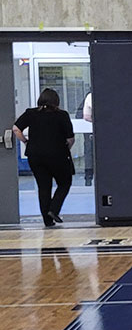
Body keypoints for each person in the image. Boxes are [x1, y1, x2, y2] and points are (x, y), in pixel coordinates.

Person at [13, 88, 75, 227]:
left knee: (44, 186)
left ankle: (47, 221)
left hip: (36, 156)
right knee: (65, 182)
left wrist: (25, 141)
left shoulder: (31, 113)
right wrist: (66, 149)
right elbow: (70, 138)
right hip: (58, 155)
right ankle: (53, 209)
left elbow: (16, 129)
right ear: (56, 101)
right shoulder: (62, 115)